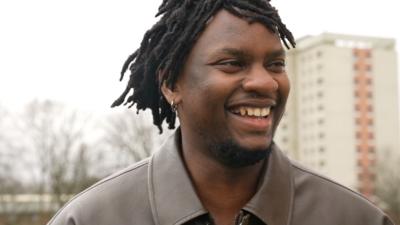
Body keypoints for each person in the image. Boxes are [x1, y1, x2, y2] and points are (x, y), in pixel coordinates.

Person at [48, 0, 394, 225]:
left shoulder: (355, 218)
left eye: (275, 64)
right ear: (171, 83)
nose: (265, 83)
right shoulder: (90, 219)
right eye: (232, 63)